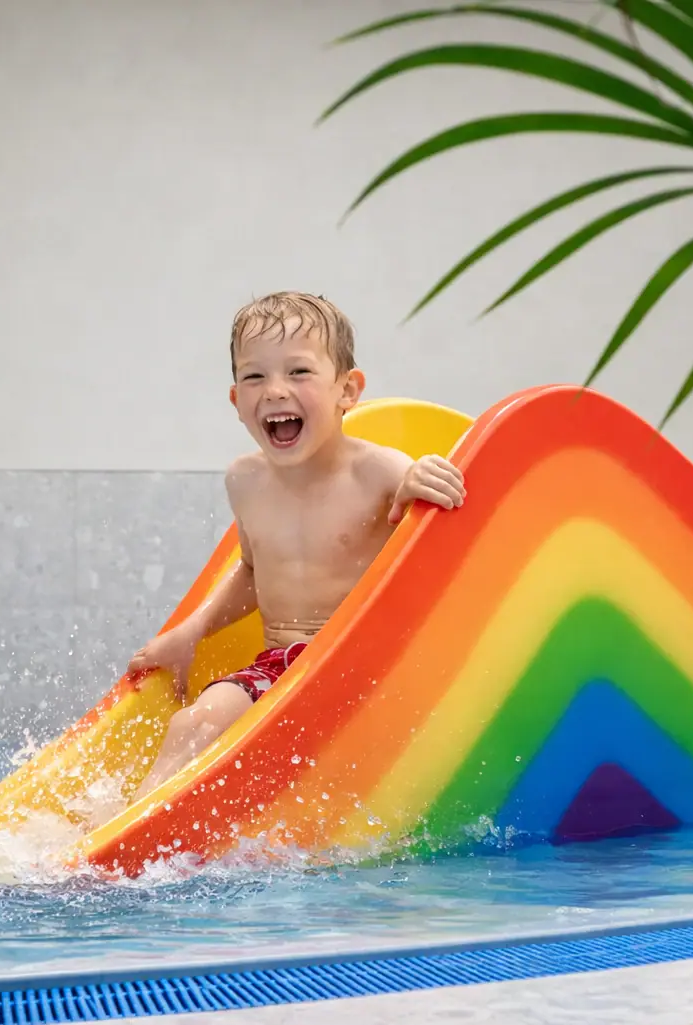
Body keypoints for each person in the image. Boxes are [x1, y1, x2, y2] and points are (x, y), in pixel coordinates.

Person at [125, 292, 465, 804]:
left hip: (360, 669)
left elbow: (433, 546)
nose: (275, 390)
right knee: (193, 725)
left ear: (347, 390)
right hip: (278, 667)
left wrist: (420, 480)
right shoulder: (245, 481)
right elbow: (251, 570)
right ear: (236, 401)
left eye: (299, 371)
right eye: (254, 376)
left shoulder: (380, 471)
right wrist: (192, 630)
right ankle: (130, 826)